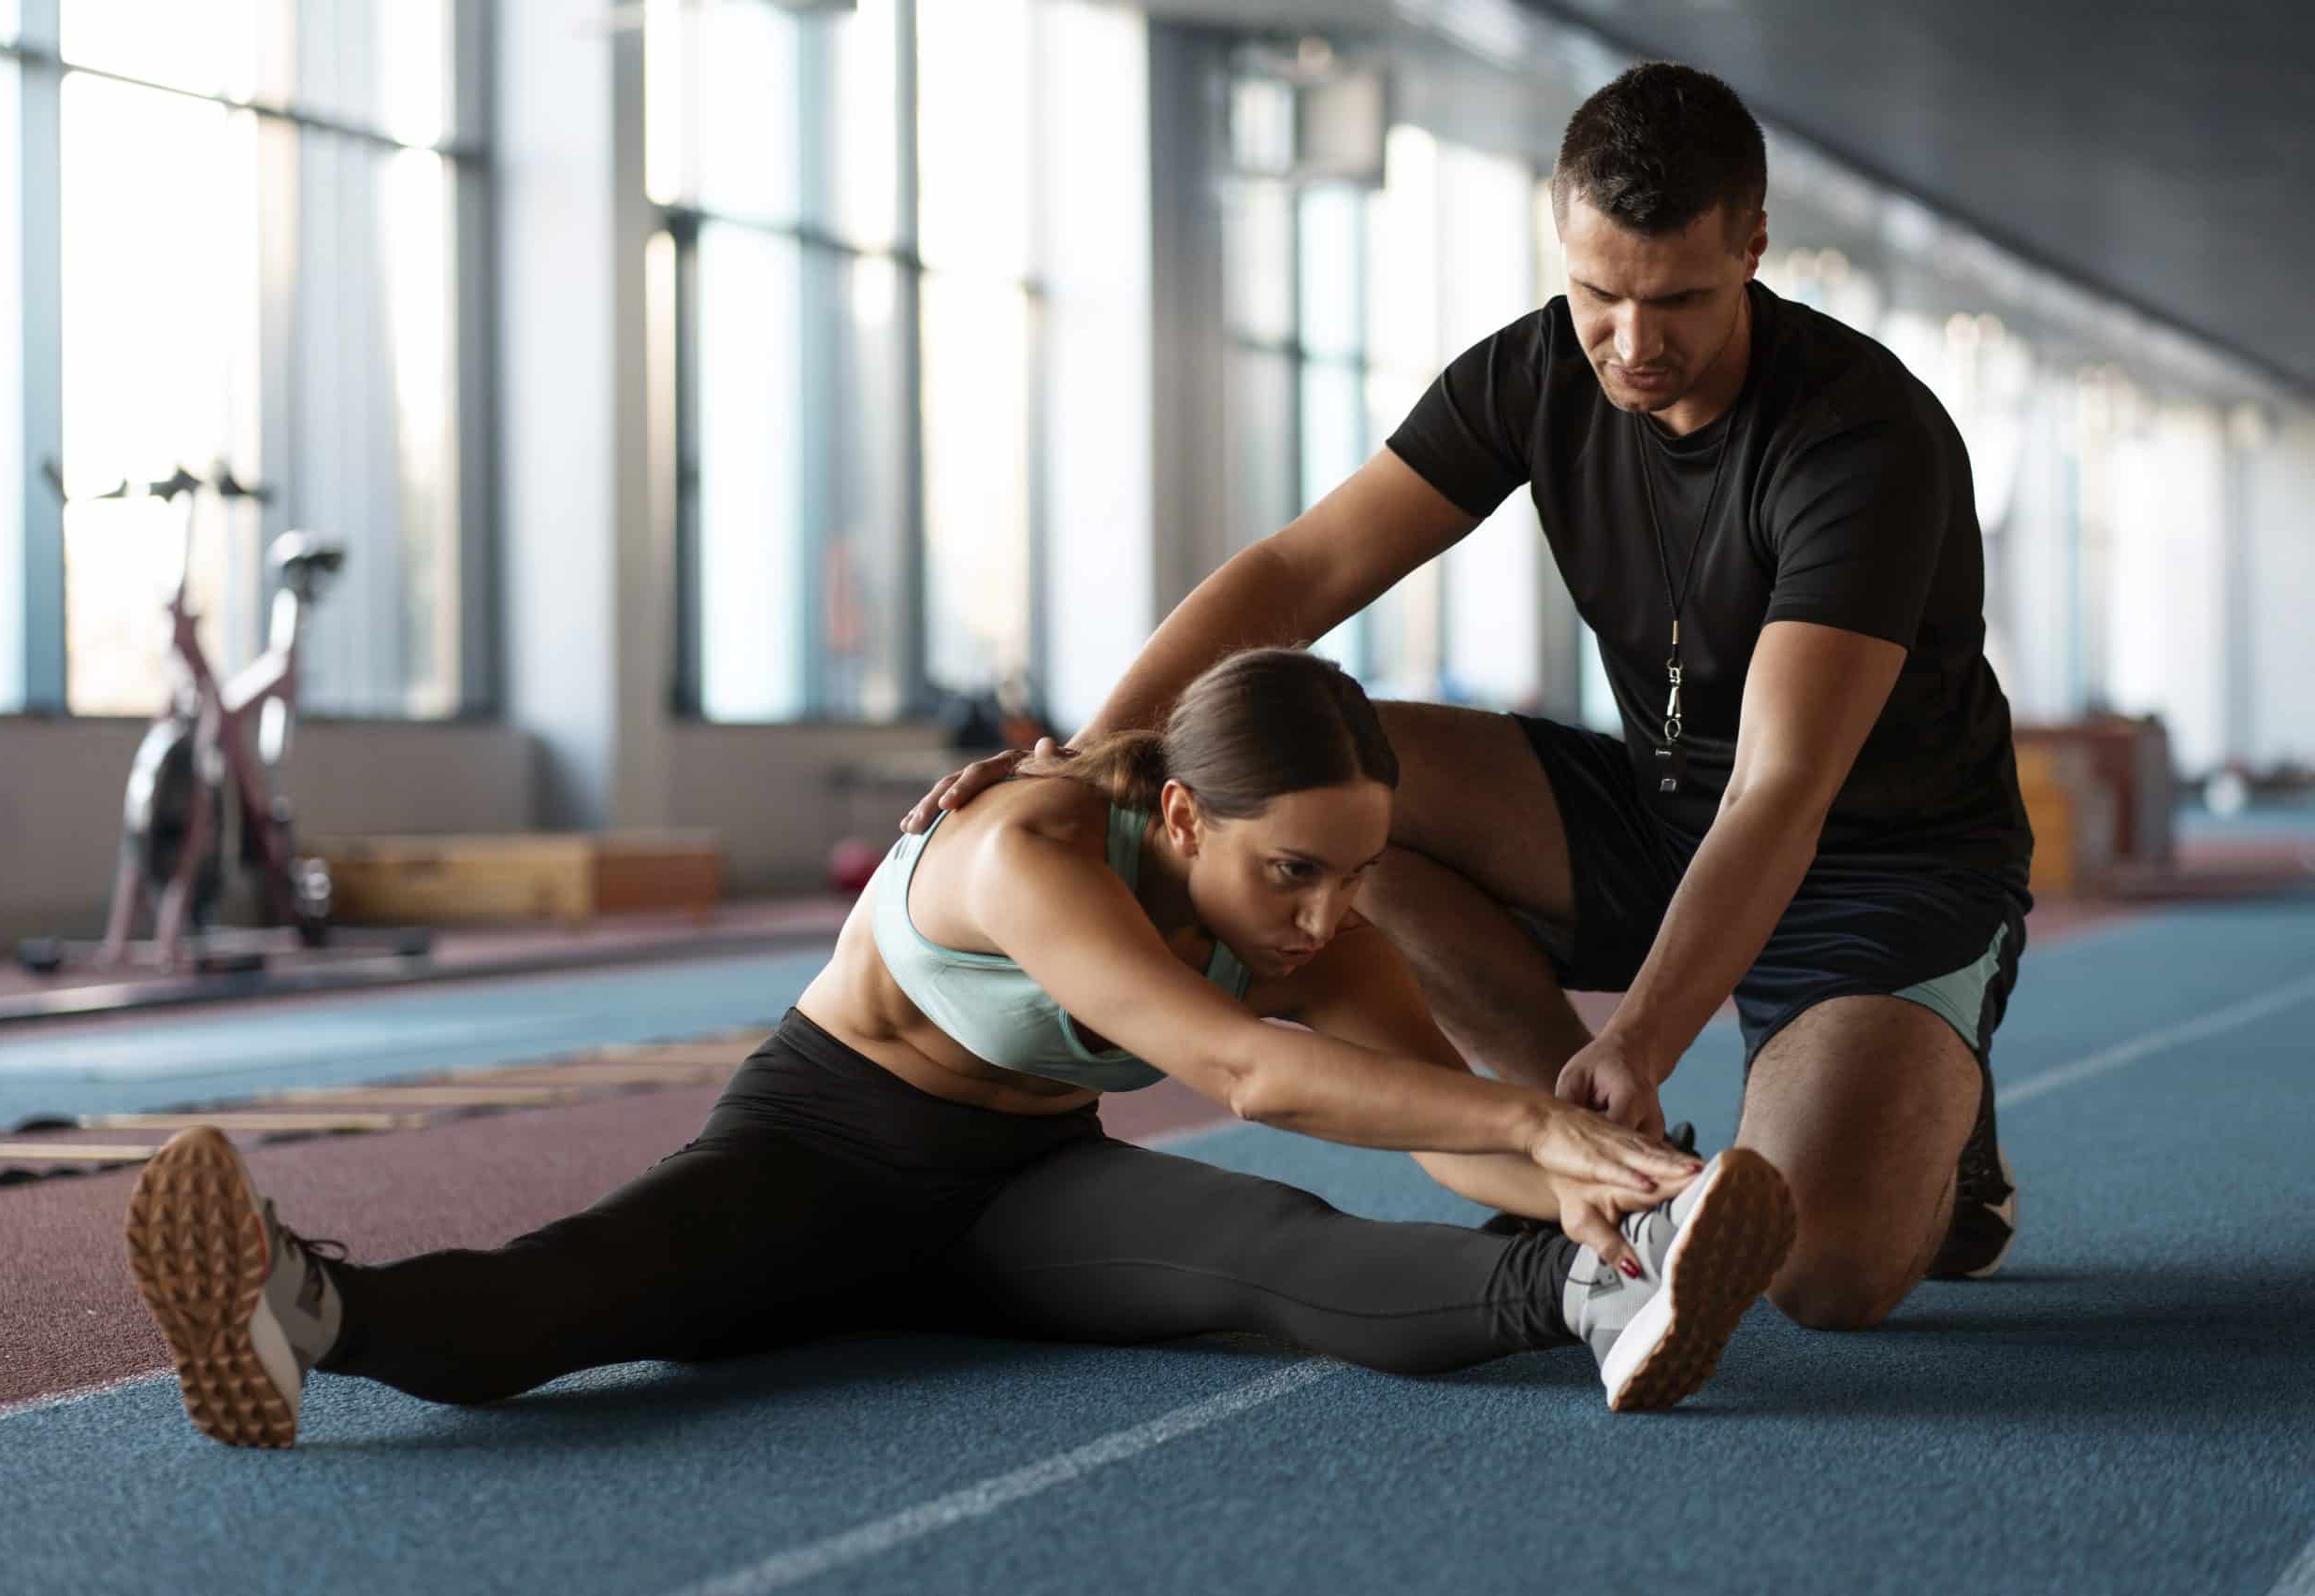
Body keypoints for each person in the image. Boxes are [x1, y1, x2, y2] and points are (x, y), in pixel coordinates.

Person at [907, 65, 2031, 1334]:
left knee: (1822, 1273)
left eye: (1678, 300)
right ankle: (1582, 1163)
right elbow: (1302, 569)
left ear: (1753, 248)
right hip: (1664, 814)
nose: (1634, 344)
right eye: (1600, 294)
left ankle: (1946, 1128)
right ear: (1562, 241)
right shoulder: (1534, 374)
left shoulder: (1861, 441)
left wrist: (1642, 1040)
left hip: (1880, 868)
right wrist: (1087, 758)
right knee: (1343, 801)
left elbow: (1781, 789)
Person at [123, 649, 1793, 1451]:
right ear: (1181, 817)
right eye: (1296, 871)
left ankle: (1603, 1301)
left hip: (1022, 1187)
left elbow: (1428, 1129)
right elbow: (1249, 1074)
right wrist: (1537, 1120)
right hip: (818, 1159)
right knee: (577, 1294)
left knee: (1275, 1247)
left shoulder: (1312, 917)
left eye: (1358, 873)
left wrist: (1618, 1194)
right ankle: (302, 1306)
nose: (1327, 915)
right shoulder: (1026, 849)